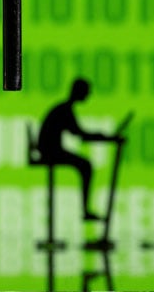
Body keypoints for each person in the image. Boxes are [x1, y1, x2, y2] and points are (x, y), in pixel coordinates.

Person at [38, 78, 120, 221]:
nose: (88, 95)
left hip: (50, 149)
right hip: (50, 151)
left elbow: (79, 134)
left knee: (85, 165)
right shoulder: (65, 110)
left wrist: (102, 137)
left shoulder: (64, 108)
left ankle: (85, 210)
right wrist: (105, 137)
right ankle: (85, 210)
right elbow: (80, 135)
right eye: (87, 92)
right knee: (86, 166)